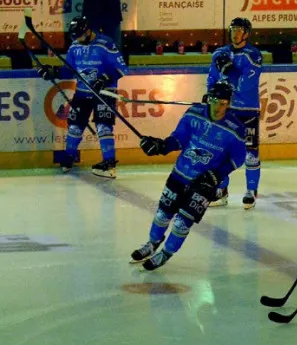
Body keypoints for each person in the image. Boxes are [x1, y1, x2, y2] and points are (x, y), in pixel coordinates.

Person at [130, 82, 247, 271]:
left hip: (204, 185)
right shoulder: (194, 114)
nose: (217, 107)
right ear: (208, 98)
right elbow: (178, 138)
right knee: (162, 214)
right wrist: (162, 146)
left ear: (229, 103)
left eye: (223, 103)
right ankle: (152, 243)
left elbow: (238, 158)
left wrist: (216, 175)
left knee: (182, 223)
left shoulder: (235, 129)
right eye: (214, 101)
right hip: (180, 174)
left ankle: (166, 253)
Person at [36, 16, 126, 178]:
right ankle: (69, 157)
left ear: (88, 30)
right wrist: (53, 72)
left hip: (104, 93)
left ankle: (109, 162)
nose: (77, 39)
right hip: (82, 92)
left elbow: (121, 68)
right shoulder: (75, 46)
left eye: (79, 35)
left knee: (103, 126)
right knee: (74, 126)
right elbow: (69, 70)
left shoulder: (106, 44)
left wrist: (104, 79)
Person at [207, 18, 263, 209]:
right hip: (225, 110)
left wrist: (229, 71)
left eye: (239, 30)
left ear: (247, 33)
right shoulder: (219, 53)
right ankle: (221, 190)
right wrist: (210, 95)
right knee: (220, 151)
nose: (235, 33)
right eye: (233, 29)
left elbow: (246, 85)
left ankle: (251, 191)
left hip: (247, 110)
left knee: (250, 153)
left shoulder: (253, 55)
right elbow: (212, 78)